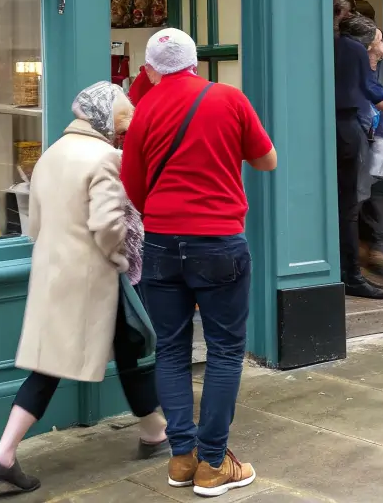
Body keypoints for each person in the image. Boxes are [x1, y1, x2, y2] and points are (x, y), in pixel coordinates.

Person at [0, 82, 168, 494]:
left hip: (54, 273)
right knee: (75, 362)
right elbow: (108, 225)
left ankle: (155, 431)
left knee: (122, 349)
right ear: (105, 121)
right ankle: (3, 455)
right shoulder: (106, 157)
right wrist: (120, 258)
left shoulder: (50, 155)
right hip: (94, 277)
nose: (122, 132)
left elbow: (35, 223)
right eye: (121, 123)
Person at [121, 29, 277, 498]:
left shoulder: (144, 110)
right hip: (219, 241)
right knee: (225, 351)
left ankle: (182, 457)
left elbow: (133, 187)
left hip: (165, 242)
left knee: (169, 350)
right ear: (195, 63)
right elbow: (267, 160)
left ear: (150, 69)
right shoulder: (228, 99)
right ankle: (213, 463)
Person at [334, 8, 383, 299]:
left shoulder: (335, 47)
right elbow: (368, 87)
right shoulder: (351, 50)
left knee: (356, 199)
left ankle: (352, 267)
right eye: (380, 40)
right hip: (347, 132)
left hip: (343, 132)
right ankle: (351, 274)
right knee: (352, 203)